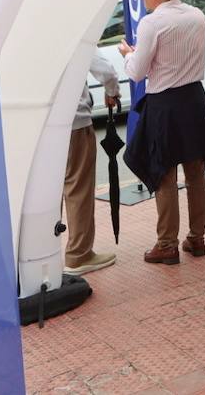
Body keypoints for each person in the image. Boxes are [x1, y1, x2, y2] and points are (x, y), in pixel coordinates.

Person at [119, 0, 205, 265]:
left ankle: (166, 244)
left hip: (165, 103)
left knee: (164, 172)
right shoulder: (197, 16)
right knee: (196, 172)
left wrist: (128, 54)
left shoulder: (152, 22)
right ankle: (197, 237)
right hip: (194, 98)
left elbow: (137, 71)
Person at [63, 52, 122, 275]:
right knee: (78, 188)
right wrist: (112, 91)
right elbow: (105, 69)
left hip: (37, 125)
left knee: (44, 195)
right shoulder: (71, 28)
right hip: (73, 120)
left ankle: (37, 259)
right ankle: (79, 254)